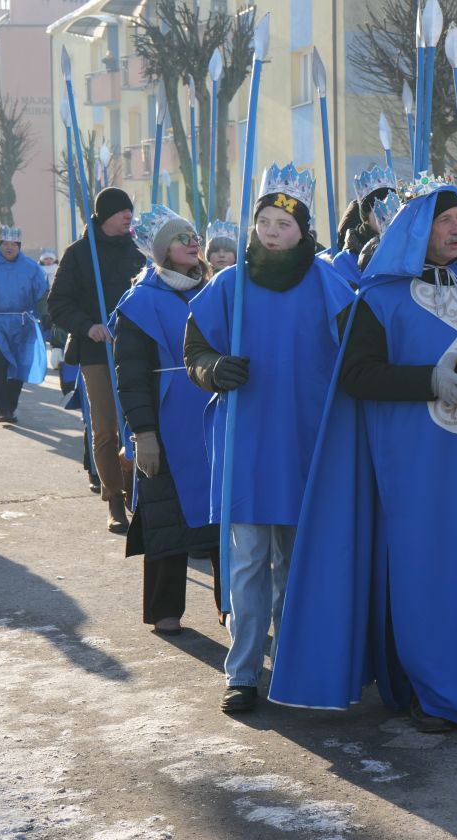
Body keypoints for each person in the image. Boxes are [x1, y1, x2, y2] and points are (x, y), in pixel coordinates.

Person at [269, 177, 457, 734]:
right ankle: (430, 688)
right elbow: (357, 376)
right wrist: (429, 381)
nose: (456, 230)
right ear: (417, 230)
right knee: (427, 572)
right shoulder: (379, 298)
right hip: (416, 468)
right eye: (444, 220)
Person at [184, 162, 349, 714]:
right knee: (248, 563)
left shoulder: (328, 281)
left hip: (307, 441)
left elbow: (357, 351)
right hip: (249, 441)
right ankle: (243, 671)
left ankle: (295, 664)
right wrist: (213, 369)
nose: (272, 232)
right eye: (264, 222)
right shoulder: (229, 283)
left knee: (298, 565)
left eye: (284, 223)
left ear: (302, 230)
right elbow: (194, 349)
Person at [114, 205, 221, 637]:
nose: (193, 243)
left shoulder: (216, 291)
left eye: (194, 236)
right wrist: (143, 433)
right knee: (166, 516)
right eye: (181, 238)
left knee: (222, 515)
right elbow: (131, 377)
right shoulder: (140, 302)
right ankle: (164, 608)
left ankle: (231, 604)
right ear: (161, 250)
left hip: (214, 416)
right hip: (166, 423)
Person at [48, 187, 146, 533]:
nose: (128, 216)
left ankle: (138, 492)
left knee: (139, 425)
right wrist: (88, 326)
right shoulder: (79, 254)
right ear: (105, 216)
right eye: (121, 211)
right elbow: (57, 303)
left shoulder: (140, 251)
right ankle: (115, 499)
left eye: (129, 211)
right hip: (97, 353)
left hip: (137, 350)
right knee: (105, 428)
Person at [0, 226, 50, 424]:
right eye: (5, 244)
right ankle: (2, 409)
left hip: (22, 323)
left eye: (13, 244)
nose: (9, 247)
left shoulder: (31, 267)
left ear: (19, 246)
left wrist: (45, 315)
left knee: (19, 364)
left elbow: (41, 294)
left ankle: (10, 405)